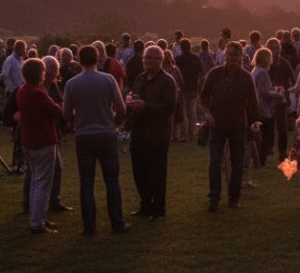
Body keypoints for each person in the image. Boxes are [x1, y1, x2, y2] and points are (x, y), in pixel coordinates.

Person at [62, 45, 130, 236]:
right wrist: (113, 123)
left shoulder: (71, 84)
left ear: (79, 59)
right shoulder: (108, 80)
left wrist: (78, 119)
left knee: (86, 182)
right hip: (106, 134)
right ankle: (117, 223)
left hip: (84, 135)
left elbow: (66, 113)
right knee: (112, 181)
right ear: (98, 59)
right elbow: (121, 108)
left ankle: (89, 227)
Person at [199, 42, 260, 212]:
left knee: (238, 163)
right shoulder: (214, 74)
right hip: (217, 124)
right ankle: (214, 198)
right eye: (229, 54)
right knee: (215, 162)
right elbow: (203, 97)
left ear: (241, 57)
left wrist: (255, 122)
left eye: (235, 55)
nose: (232, 58)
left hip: (238, 125)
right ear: (224, 55)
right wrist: (208, 114)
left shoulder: (246, 77)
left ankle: (234, 198)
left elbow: (253, 103)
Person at [127, 45, 178, 222]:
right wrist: (131, 101)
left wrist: (145, 107)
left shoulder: (167, 81)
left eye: (154, 58)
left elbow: (169, 107)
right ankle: (145, 205)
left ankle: (158, 209)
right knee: (139, 171)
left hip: (157, 134)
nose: (149, 61)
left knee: (156, 172)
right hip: (139, 132)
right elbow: (134, 95)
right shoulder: (140, 78)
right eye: (147, 58)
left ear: (161, 61)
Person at [16, 58, 65, 234]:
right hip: (43, 141)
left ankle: (37, 218)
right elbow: (57, 112)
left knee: (36, 182)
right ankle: (37, 223)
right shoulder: (37, 93)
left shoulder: (22, 90)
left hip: (30, 141)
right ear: (39, 73)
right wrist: (63, 106)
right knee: (43, 183)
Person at [174, 38, 203, 143]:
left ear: (181, 47)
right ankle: (192, 133)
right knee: (192, 111)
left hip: (183, 88)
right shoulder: (195, 58)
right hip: (194, 87)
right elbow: (201, 72)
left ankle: (184, 134)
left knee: (184, 112)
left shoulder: (178, 59)